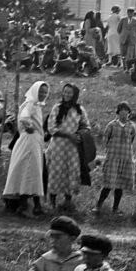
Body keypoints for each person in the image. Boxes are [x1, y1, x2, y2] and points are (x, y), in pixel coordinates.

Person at [3, 81, 49, 216]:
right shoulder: (30, 104)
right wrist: (29, 126)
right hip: (29, 141)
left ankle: (33, 204)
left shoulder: (37, 106)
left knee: (33, 170)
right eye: (41, 91)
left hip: (35, 141)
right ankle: (26, 204)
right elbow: (24, 117)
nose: (43, 94)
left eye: (45, 92)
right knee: (29, 169)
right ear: (35, 91)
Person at [45, 83, 90, 213]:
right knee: (55, 171)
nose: (66, 94)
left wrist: (79, 135)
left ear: (74, 94)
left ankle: (67, 202)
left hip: (72, 147)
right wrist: (68, 135)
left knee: (71, 171)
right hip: (58, 146)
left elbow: (86, 126)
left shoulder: (79, 110)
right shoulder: (57, 108)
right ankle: (52, 201)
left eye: (69, 92)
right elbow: (51, 128)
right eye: (65, 92)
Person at [96, 102, 136, 215]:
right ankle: (98, 205)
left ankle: (115, 208)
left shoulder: (131, 126)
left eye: (126, 110)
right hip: (113, 158)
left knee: (120, 186)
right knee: (108, 184)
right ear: (118, 112)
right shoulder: (111, 125)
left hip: (125, 158)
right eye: (121, 110)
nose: (124, 112)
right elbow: (106, 139)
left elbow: (132, 139)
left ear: (129, 112)